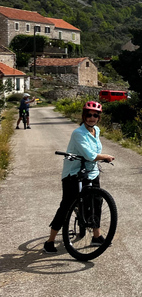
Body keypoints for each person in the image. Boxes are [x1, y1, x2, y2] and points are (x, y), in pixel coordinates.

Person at [44, 101, 115, 254]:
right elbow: (90, 155)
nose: (92, 118)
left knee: (97, 201)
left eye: (95, 115)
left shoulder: (96, 130)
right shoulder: (78, 133)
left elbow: (93, 152)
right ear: (84, 116)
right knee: (66, 205)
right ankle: (50, 241)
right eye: (88, 115)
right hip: (74, 174)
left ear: (98, 117)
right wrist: (106, 157)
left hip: (91, 172)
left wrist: (99, 158)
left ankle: (97, 236)